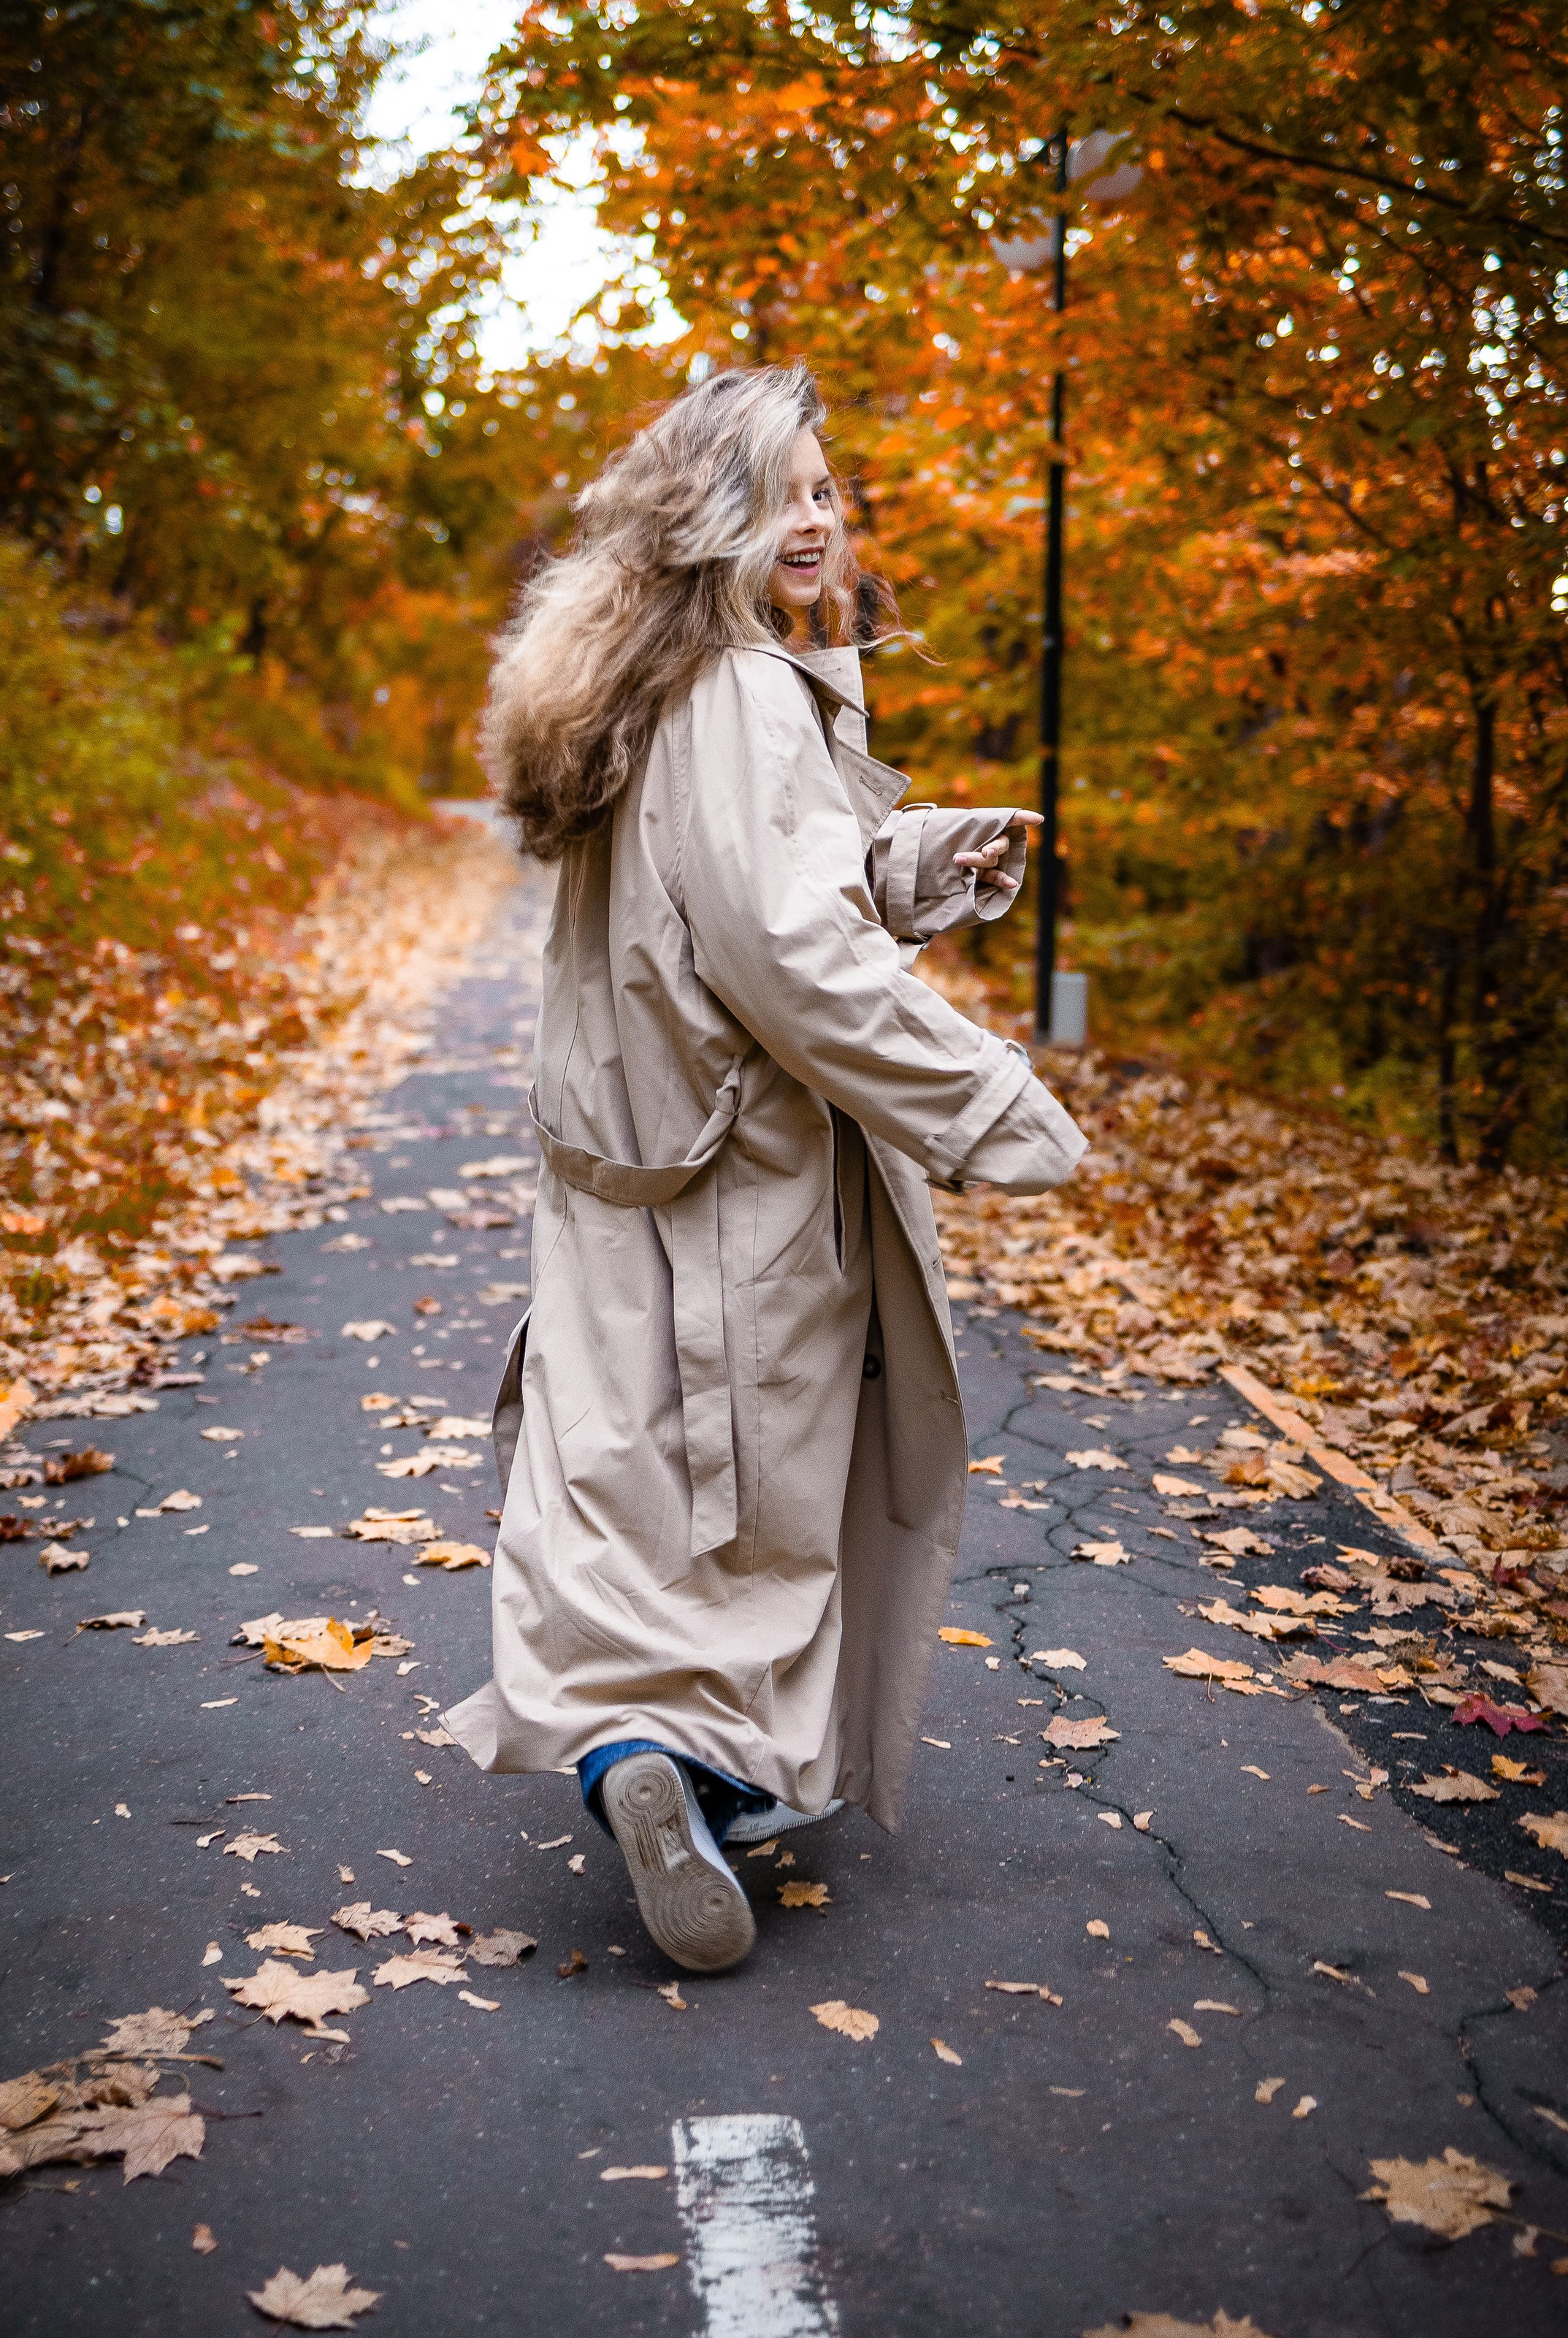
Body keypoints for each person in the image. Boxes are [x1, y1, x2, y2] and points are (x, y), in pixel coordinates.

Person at [445, 364, 1086, 1973]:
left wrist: (912, 859)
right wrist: (990, 1104)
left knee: (628, 1491)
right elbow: (786, 958)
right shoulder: (735, 690)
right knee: (761, 1504)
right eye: (782, 490)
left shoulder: (635, 685)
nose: (816, 517)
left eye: (824, 489)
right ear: (706, 512)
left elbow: (736, 882)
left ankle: (629, 1759)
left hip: (621, 1161)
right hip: (744, 1170)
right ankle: (704, 1781)